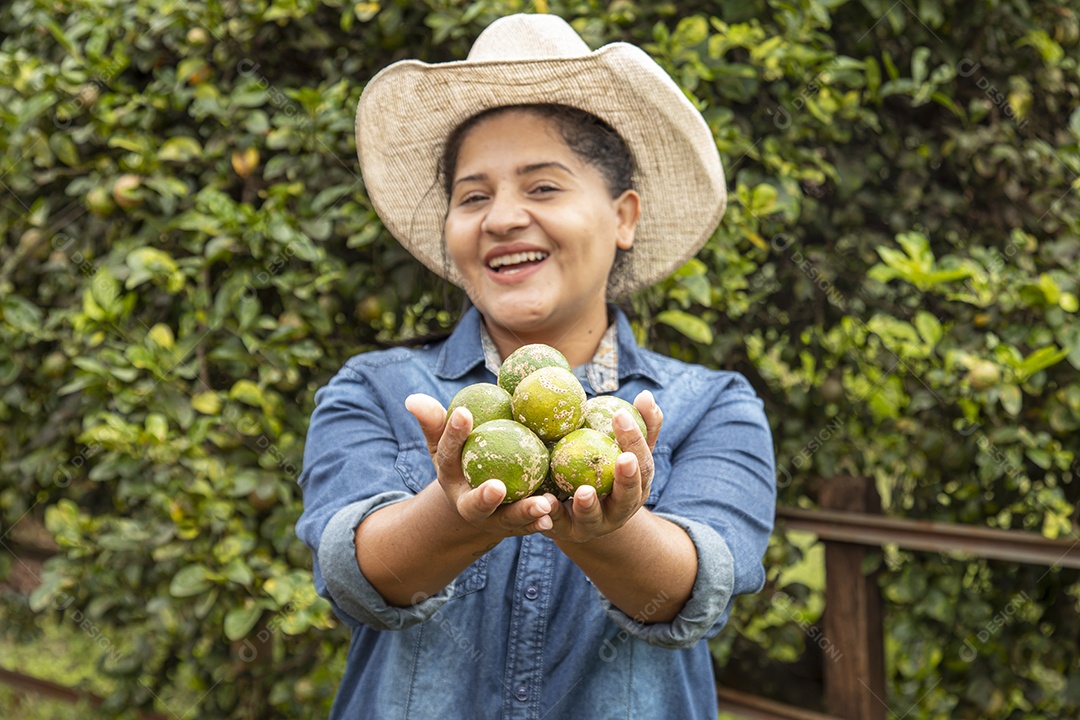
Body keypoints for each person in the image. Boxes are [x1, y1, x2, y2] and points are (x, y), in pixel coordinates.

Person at [296, 13, 776, 720]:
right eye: (473, 196)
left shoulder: (714, 405)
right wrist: (460, 517)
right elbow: (357, 577)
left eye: (543, 187)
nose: (502, 218)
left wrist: (611, 531)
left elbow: (691, 593)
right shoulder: (374, 389)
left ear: (624, 217)